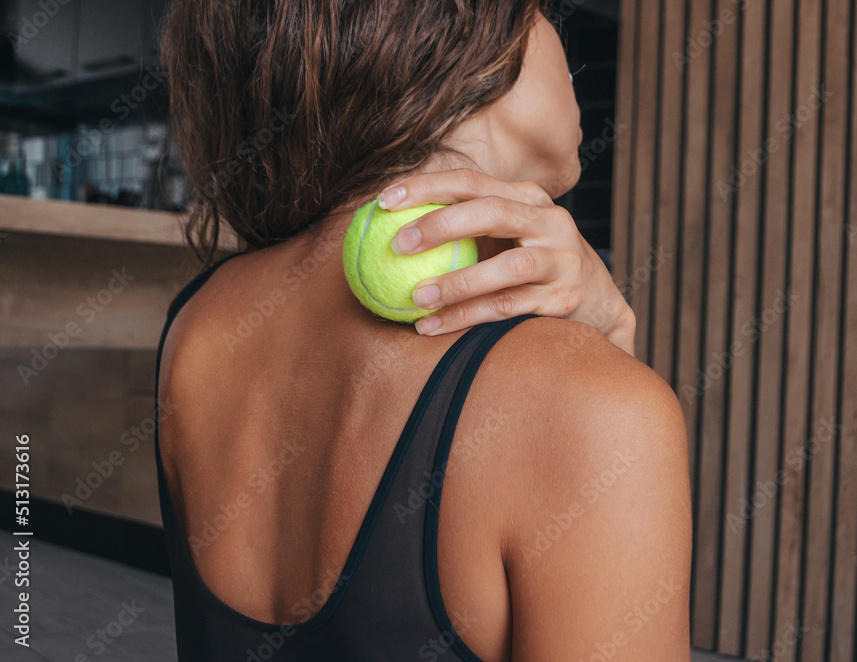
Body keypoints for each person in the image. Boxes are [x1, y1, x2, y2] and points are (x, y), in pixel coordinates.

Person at [155, 1, 691, 660]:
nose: (557, 34)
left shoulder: (198, 324)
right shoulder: (597, 409)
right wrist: (610, 352)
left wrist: (606, 331)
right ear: (445, 29)